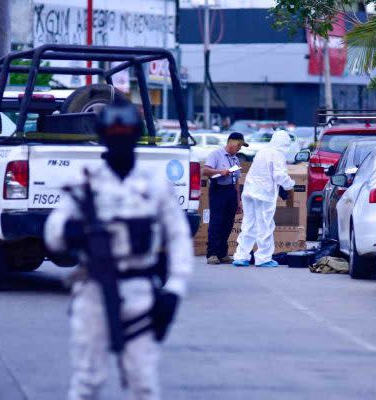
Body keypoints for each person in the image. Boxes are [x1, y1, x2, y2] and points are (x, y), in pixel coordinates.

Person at [44, 101, 193, 400]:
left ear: (136, 135)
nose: (120, 140)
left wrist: (175, 289)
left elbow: (178, 237)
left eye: (126, 134)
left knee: (143, 382)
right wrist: (70, 233)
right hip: (93, 291)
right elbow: (53, 231)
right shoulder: (85, 182)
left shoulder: (153, 184)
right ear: (102, 136)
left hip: (140, 290)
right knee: (87, 380)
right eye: (113, 134)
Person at [232, 130, 296, 267]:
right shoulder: (278, 154)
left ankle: (241, 256)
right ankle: (263, 258)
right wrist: (290, 185)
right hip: (264, 194)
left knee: (248, 224)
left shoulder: (262, 151)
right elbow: (279, 176)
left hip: (249, 191)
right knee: (265, 225)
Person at [203, 132, 248, 265]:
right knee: (216, 222)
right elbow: (205, 171)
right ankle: (212, 253)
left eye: (241, 146)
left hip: (231, 192)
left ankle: (222, 253)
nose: (240, 148)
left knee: (228, 223)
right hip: (218, 191)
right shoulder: (216, 154)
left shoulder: (235, 159)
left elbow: (236, 181)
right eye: (239, 145)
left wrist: (238, 200)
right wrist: (220, 172)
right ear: (230, 142)